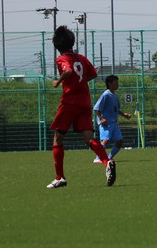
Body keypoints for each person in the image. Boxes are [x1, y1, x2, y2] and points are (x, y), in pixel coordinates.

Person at [46, 25, 115, 189]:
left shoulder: (61, 59)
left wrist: (58, 81)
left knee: (58, 138)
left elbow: (69, 71)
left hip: (69, 103)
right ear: (72, 42)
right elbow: (93, 74)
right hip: (84, 102)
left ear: (57, 46)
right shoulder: (81, 58)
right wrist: (81, 81)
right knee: (89, 138)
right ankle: (107, 162)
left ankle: (60, 177)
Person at [92, 75, 133, 163]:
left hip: (113, 122)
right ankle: (97, 158)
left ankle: (108, 158)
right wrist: (101, 119)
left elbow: (116, 109)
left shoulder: (115, 96)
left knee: (120, 141)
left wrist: (124, 115)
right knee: (105, 140)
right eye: (115, 82)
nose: (117, 84)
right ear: (110, 84)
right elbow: (96, 108)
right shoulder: (105, 95)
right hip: (106, 122)